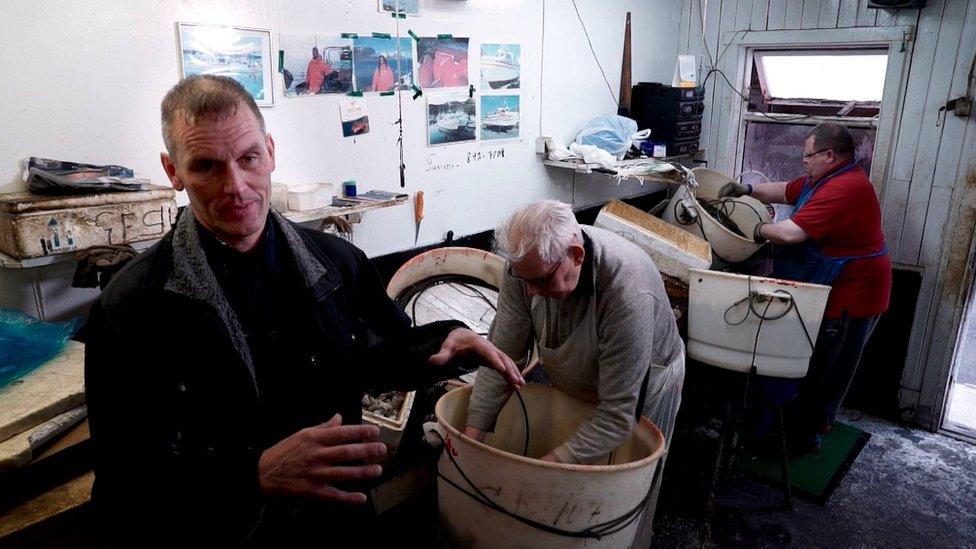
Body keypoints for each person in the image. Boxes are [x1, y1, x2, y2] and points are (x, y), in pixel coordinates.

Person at [83, 74, 524, 544]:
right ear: (173, 171)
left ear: (270, 151)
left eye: (249, 158)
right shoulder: (132, 308)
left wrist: (439, 344)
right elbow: (123, 484)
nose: (236, 185)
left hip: (337, 520)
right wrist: (252, 475)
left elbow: (378, 352)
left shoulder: (337, 264)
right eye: (207, 166)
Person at [463, 200, 685, 544]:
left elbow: (616, 415)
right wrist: (467, 445)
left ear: (576, 256)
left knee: (617, 504)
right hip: (582, 377)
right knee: (564, 503)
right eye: (524, 281)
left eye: (540, 281)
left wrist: (542, 473)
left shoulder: (627, 291)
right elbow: (501, 357)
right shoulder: (525, 269)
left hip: (644, 386)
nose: (531, 293)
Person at [719, 122, 891, 452]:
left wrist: (752, 229)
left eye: (807, 155)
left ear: (829, 155)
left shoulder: (845, 188)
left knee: (827, 369)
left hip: (853, 295)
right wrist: (746, 190)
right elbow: (786, 190)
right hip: (832, 286)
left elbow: (790, 234)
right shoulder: (824, 178)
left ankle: (804, 438)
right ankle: (797, 425)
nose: (803, 160)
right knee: (817, 364)